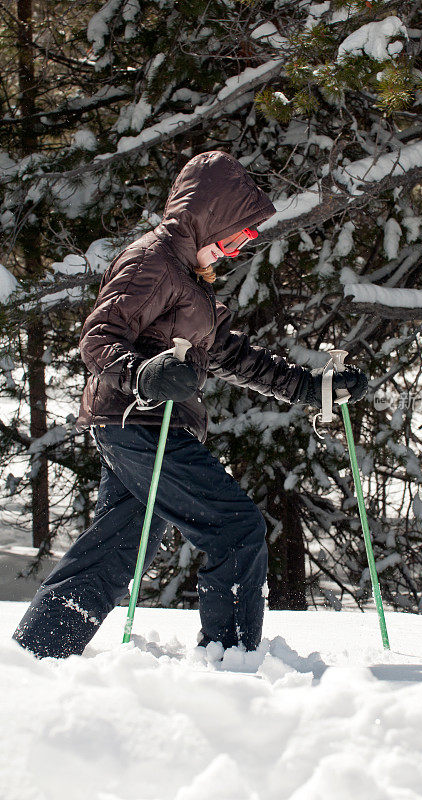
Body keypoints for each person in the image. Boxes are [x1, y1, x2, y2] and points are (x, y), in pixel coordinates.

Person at [13, 151, 368, 659]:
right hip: (137, 422)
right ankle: (231, 658)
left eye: (246, 240)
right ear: (207, 219)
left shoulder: (189, 281)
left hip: (144, 424)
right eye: (235, 236)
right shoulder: (151, 262)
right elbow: (98, 338)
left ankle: (38, 653)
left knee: (119, 550)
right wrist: (142, 372)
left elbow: (233, 356)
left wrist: (312, 389)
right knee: (235, 528)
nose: (238, 248)